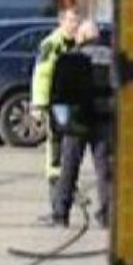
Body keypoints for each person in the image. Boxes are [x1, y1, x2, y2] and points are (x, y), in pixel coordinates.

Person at [45, 20, 114, 228]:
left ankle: (60, 212)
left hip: (76, 121)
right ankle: (107, 214)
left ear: (81, 37)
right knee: (105, 169)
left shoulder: (70, 58)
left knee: (69, 167)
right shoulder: (112, 57)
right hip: (105, 119)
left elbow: (57, 92)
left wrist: (58, 124)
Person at [32, 9, 83, 186]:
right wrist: (39, 104)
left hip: (74, 99)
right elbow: (42, 74)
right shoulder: (51, 44)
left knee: (72, 139)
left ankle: (68, 175)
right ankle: (54, 173)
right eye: (70, 21)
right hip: (57, 99)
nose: (73, 25)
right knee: (56, 137)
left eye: (76, 21)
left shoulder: (77, 43)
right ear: (61, 22)